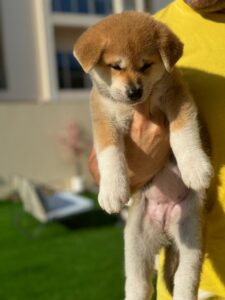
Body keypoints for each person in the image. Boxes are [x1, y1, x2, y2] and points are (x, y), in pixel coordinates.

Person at [89, 1, 225, 299]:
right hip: (200, 274)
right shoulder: (149, 29)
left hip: (188, 210)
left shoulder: (156, 40)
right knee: (138, 254)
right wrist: (139, 163)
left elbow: (179, 103)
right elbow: (101, 170)